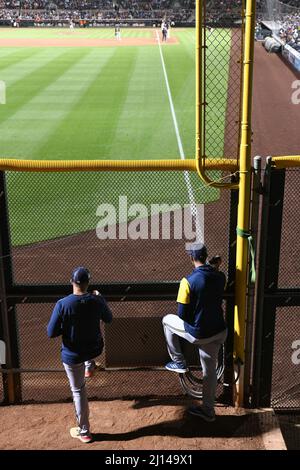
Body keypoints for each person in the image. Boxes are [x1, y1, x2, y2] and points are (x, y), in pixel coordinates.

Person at [162, 243, 227, 422]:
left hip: (199, 334)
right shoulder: (221, 277)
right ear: (206, 256)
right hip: (220, 331)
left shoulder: (187, 282)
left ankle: (179, 362)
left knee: (167, 321)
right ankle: (208, 411)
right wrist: (214, 267)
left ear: (191, 258)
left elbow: (182, 315)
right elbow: (210, 280)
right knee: (210, 372)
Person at [47, 267, 112, 443]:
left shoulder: (63, 304)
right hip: (93, 349)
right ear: (88, 283)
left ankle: (84, 431)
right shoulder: (96, 300)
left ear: (72, 282)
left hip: (73, 355)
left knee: (78, 390)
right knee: (88, 335)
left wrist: (67, 326)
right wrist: (101, 299)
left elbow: (51, 332)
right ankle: (89, 367)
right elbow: (109, 319)